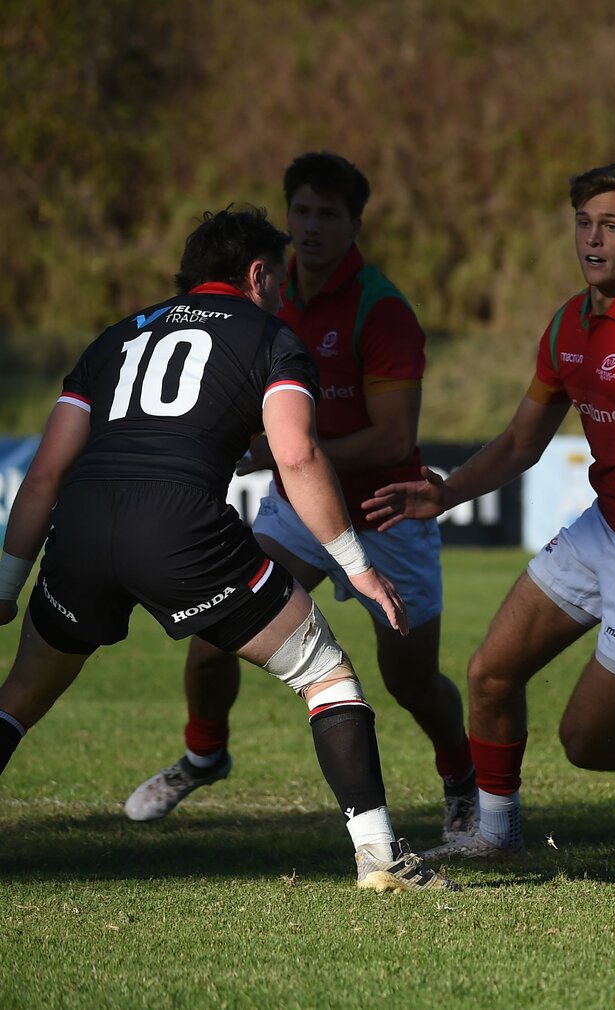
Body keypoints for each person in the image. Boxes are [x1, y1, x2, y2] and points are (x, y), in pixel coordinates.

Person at [0, 207, 456, 892]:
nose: (282, 290)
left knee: (18, 700)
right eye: (278, 277)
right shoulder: (273, 336)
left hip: (85, 526)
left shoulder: (116, 337)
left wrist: (7, 585)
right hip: (180, 529)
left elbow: (44, 475)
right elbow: (296, 458)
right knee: (327, 676)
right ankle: (380, 859)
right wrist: (358, 568)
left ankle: (208, 757)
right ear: (256, 272)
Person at [365, 162, 615, 858]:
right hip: (604, 533)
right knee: (490, 674)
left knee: (587, 742)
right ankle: (495, 833)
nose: (593, 239)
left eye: (614, 224)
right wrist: (446, 493)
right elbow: (520, 441)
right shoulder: (570, 322)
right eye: (584, 223)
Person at [124, 153, 474, 842]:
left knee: (409, 680)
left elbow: (392, 437)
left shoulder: (383, 310)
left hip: (385, 513)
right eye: (301, 211)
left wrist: (278, 453)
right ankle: (203, 756)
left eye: (328, 214)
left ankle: (461, 780)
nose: (310, 228)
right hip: (295, 507)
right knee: (212, 633)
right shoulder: (266, 300)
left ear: (354, 224)